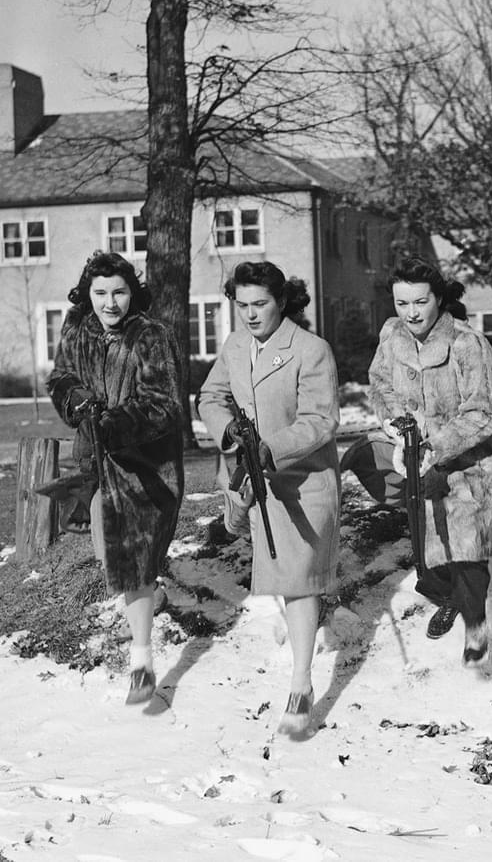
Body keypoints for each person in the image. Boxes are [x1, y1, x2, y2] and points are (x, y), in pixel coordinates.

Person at [198, 261, 340, 737]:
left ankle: (301, 684)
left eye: (260, 303)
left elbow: (321, 420)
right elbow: (210, 397)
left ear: (281, 301)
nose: (251, 314)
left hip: (301, 482)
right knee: (283, 577)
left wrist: (271, 446)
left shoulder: (309, 350)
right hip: (249, 484)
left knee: (298, 579)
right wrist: (229, 433)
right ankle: (303, 633)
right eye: (242, 305)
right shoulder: (237, 346)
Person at [46, 251, 185, 706]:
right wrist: (76, 399)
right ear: (88, 294)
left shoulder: (151, 335)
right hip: (97, 466)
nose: (110, 303)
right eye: (101, 293)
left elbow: (164, 404)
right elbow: (60, 378)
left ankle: (141, 663)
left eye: (119, 292)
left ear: (133, 292)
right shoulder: (77, 330)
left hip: (147, 467)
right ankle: (150, 596)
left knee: (133, 558)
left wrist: (114, 423)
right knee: (115, 560)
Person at [368, 258, 492, 666]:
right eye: (402, 303)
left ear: (439, 299)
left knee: (466, 545)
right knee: (426, 556)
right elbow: (379, 383)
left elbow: (484, 412)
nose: (411, 313)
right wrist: (396, 423)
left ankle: (476, 627)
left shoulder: (467, 343)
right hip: (417, 458)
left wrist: (438, 445)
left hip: (473, 463)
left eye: (420, 302)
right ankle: (446, 597)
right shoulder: (392, 336)